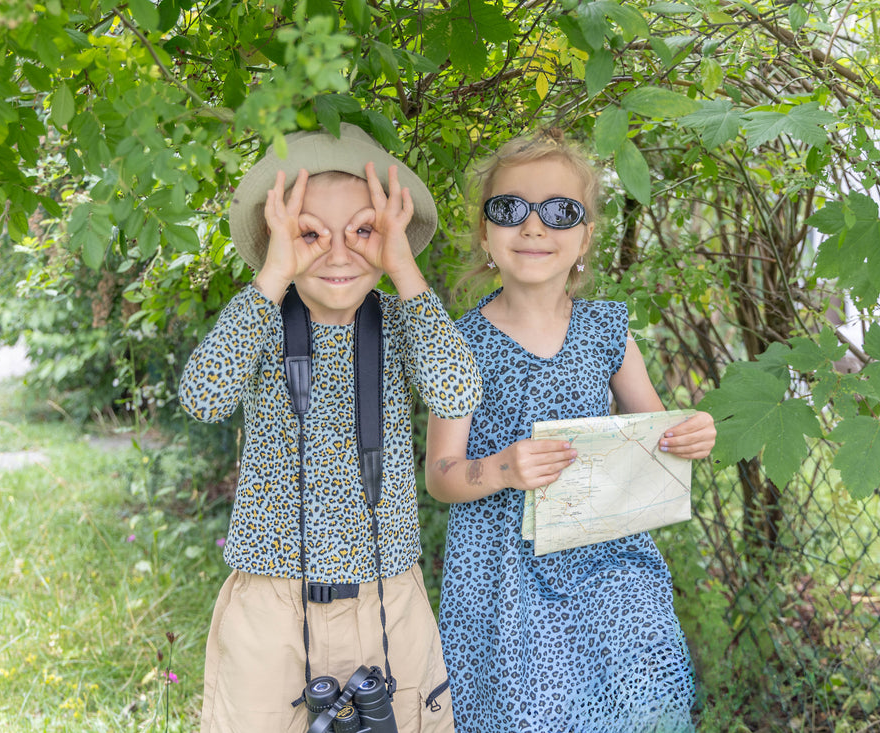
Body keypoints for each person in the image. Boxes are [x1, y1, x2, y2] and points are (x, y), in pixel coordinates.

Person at [179, 124, 481, 733]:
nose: (338, 253)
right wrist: (274, 274)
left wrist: (402, 267)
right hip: (273, 600)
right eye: (309, 233)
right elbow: (203, 397)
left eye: (363, 231)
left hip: (386, 596)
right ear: (276, 239)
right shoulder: (261, 321)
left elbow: (458, 392)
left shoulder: (401, 321)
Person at [424, 129, 717, 732]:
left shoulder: (607, 330)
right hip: (503, 574)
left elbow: (655, 435)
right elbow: (441, 476)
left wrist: (690, 434)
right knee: (536, 713)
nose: (534, 227)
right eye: (509, 209)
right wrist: (504, 468)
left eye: (560, 212)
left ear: (585, 236)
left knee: (643, 694)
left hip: (605, 557)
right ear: (484, 232)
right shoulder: (458, 344)